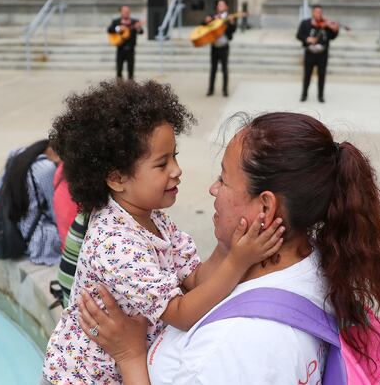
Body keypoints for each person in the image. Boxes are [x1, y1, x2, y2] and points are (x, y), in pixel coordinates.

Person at [77, 111, 380, 385]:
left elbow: (184, 306)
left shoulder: (233, 350)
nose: (212, 189)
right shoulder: (314, 261)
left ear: (266, 208)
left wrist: (130, 355)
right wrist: (231, 250)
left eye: (224, 179)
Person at [42, 80, 283, 385]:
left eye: (175, 156)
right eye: (161, 164)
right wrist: (237, 260)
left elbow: (194, 280)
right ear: (117, 178)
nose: (176, 170)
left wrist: (227, 246)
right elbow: (181, 312)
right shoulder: (115, 244)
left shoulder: (154, 219)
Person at [0, 139, 62, 265]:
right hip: (33, 239)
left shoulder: (16, 154)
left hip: (8, 227)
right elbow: (55, 211)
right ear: (54, 152)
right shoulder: (47, 169)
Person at [296, 5, 339, 103]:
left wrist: (335, 29)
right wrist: (307, 39)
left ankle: (321, 96)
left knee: (322, 75)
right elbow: (298, 35)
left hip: (322, 54)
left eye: (320, 12)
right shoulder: (305, 23)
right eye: (317, 12)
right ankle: (304, 94)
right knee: (307, 75)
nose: (319, 14)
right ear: (313, 13)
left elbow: (333, 36)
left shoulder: (326, 25)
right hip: (310, 53)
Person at [204, 0, 237, 97]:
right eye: (219, 5)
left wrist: (231, 23)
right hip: (214, 46)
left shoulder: (229, 17)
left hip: (224, 47)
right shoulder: (213, 16)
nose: (220, 6)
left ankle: (225, 90)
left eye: (222, 5)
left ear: (226, 7)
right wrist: (207, 21)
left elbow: (232, 31)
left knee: (224, 69)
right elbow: (203, 25)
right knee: (213, 69)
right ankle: (211, 89)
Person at [107, 5, 144, 80]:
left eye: (128, 11)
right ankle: (119, 87)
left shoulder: (135, 21)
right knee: (119, 70)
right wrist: (118, 28)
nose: (126, 13)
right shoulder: (116, 21)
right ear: (120, 12)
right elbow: (109, 30)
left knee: (131, 70)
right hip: (120, 48)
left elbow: (141, 32)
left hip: (131, 49)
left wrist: (138, 28)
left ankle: (130, 87)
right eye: (124, 11)